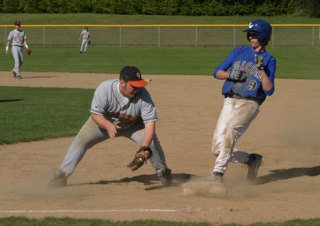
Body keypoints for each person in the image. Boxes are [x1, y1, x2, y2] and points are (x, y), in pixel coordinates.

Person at [48, 65, 175, 188]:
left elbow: (150, 123)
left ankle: (163, 172)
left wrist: (144, 147)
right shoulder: (105, 89)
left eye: (138, 86)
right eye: (133, 86)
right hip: (103, 122)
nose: (137, 89)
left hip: (133, 125)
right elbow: (95, 114)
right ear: (122, 82)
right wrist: (108, 125)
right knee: (81, 142)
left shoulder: (143, 95)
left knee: (151, 142)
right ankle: (61, 175)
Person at [209, 19, 276, 183]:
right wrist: (230, 75)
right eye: (249, 35)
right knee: (217, 148)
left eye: (254, 35)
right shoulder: (239, 51)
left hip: (250, 103)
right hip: (230, 101)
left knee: (230, 132)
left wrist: (261, 71)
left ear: (263, 37)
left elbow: (269, 90)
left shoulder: (269, 60)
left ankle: (218, 174)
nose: (250, 38)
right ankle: (252, 160)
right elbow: (217, 72)